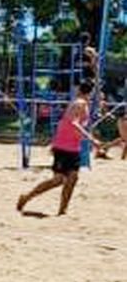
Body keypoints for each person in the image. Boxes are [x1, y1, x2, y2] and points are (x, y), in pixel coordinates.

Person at [18, 81, 98, 217]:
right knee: (58, 180)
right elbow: (73, 122)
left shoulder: (84, 105)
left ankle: (62, 210)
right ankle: (27, 196)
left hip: (73, 147)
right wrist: (90, 138)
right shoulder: (79, 104)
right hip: (63, 147)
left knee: (73, 178)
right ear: (91, 92)